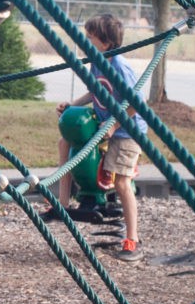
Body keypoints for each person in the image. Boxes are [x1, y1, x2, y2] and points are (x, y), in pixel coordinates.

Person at [45, 13, 146, 261]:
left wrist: (113, 126)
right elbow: (95, 91)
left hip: (126, 130)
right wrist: (72, 104)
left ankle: (132, 240)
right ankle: (63, 204)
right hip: (104, 125)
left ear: (105, 42)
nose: (85, 41)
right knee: (65, 143)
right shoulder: (96, 61)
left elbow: (136, 104)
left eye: (90, 37)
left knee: (121, 182)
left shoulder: (120, 67)